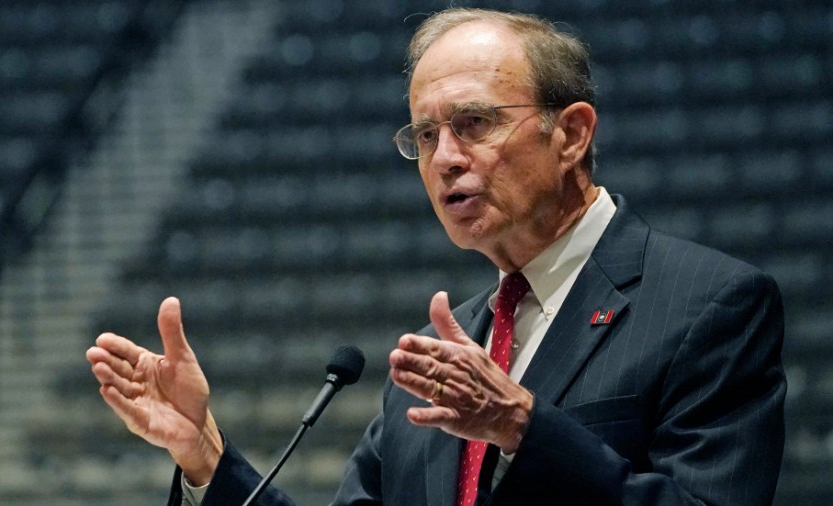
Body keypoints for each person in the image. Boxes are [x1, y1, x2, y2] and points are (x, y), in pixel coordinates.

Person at [86, 7, 786, 505]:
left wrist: (522, 427)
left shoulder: (709, 305)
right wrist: (205, 456)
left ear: (570, 133)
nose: (445, 158)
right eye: (424, 136)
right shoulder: (430, 364)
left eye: (474, 123)